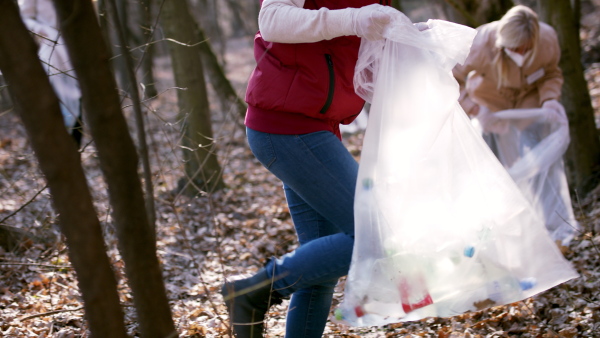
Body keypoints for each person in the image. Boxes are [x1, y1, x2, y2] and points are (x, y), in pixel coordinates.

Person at [220, 1, 413, 337]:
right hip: (286, 125)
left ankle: (254, 294)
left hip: (316, 124)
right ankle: (252, 293)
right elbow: (272, 19)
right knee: (376, 237)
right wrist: (354, 18)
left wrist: (410, 44)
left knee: (319, 276)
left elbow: (363, 57)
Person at [453, 5, 578, 245]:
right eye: (514, 48)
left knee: (542, 167)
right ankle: (505, 235)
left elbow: (551, 74)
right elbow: (449, 78)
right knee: (496, 173)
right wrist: (475, 108)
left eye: (525, 48)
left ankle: (556, 229)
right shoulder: (478, 43)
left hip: (529, 109)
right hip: (490, 110)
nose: (520, 52)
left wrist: (550, 99)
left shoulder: (548, 39)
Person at [18, 0, 83, 146]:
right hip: (50, 52)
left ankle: (75, 145)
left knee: (78, 99)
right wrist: (44, 31)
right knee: (57, 95)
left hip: (74, 50)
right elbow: (24, 19)